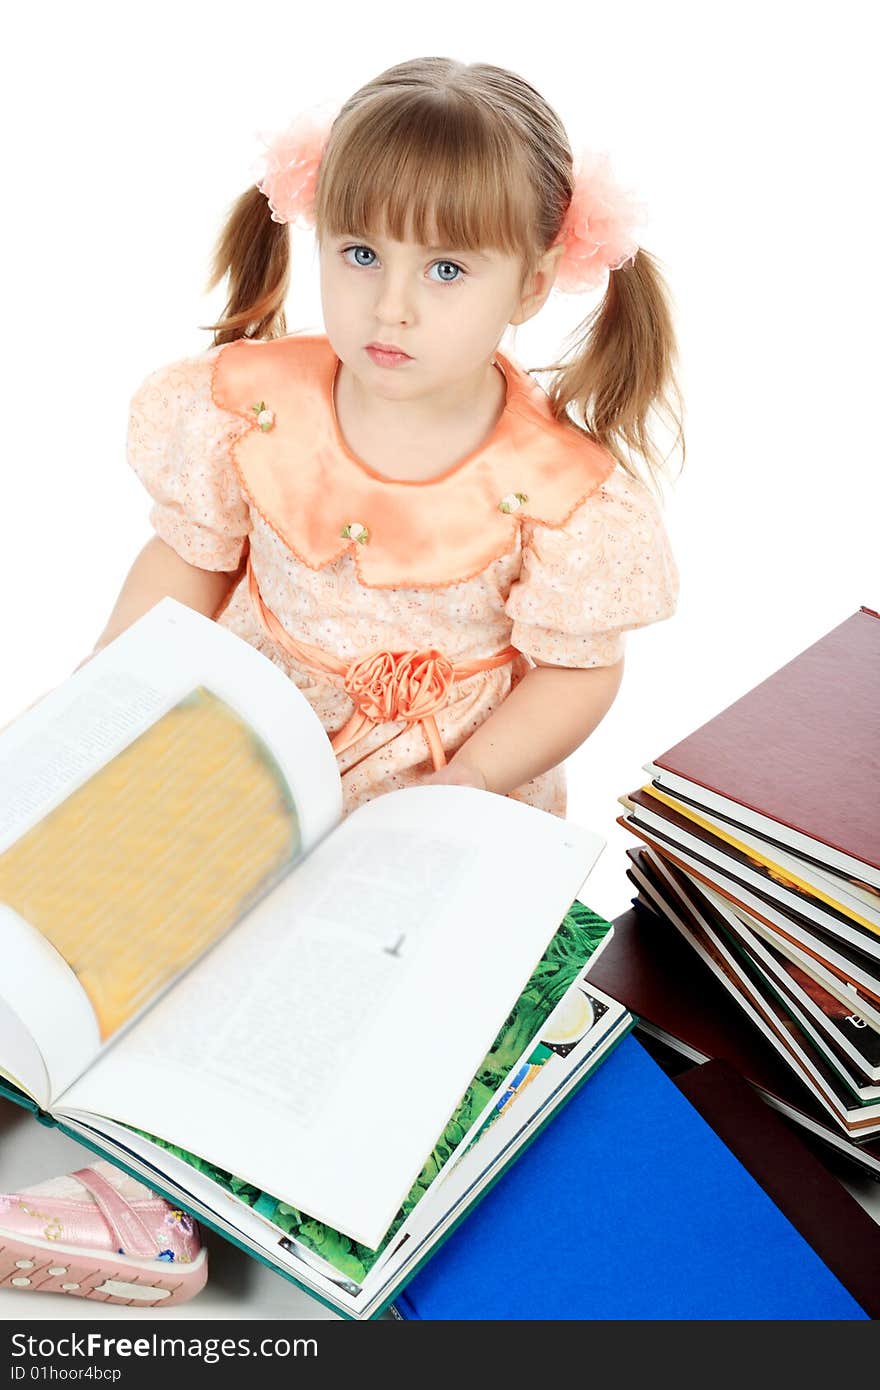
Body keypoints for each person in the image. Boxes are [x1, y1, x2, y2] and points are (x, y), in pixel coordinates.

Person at [1, 55, 683, 1305]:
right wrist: (112, 687)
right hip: (244, 739)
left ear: (533, 281)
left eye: (446, 270)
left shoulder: (555, 490)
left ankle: (154, 1204)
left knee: (304, 997)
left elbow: (577, 676)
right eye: (360, 253)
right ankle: (31, 1058)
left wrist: (465, 778)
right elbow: (189, 561)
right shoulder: (257, 408)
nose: (394, 308)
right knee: (80, 909)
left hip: (427, 778)